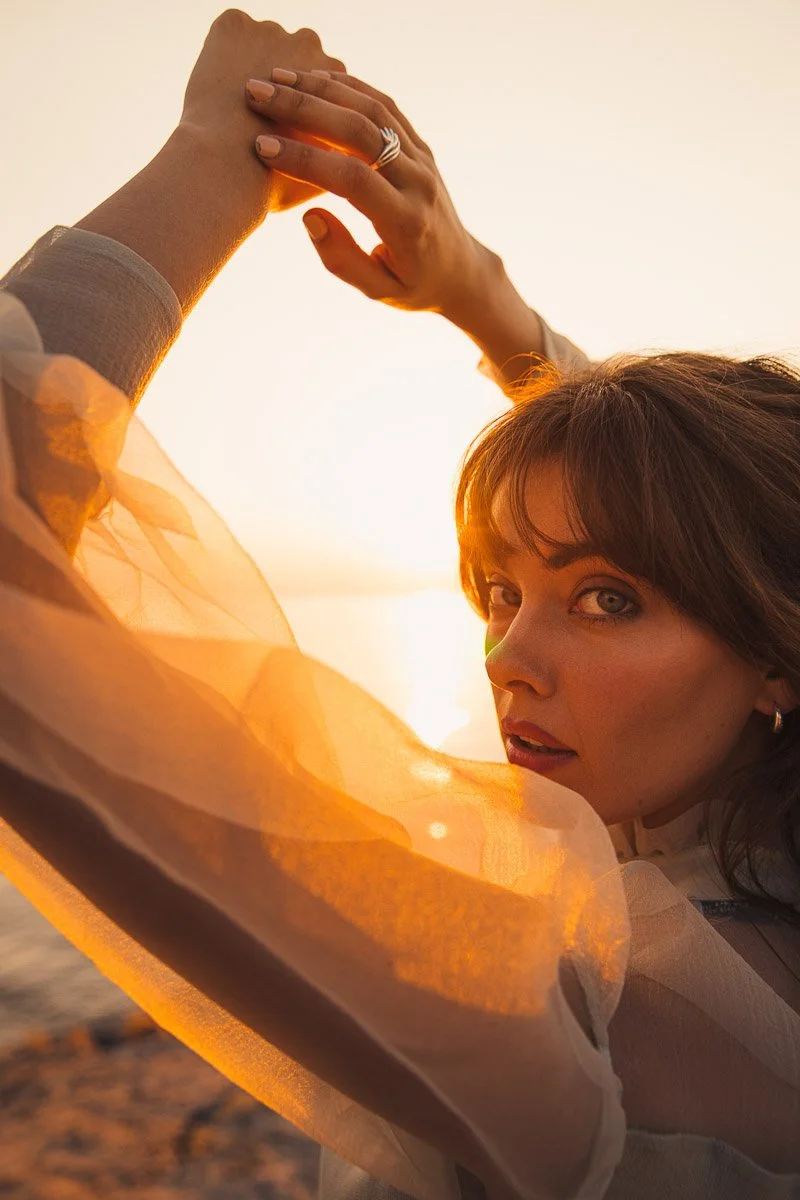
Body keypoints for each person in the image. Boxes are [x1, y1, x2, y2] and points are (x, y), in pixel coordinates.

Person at [0, 11, 798, 1200]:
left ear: (772, 651)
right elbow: (716, 519)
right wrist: (483, 297)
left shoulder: (576, 1002)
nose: (509, 656)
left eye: (604, 600)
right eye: (496, 589)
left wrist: (216, 152)